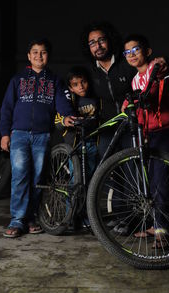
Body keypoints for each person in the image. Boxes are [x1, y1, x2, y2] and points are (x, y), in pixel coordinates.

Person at [0, 38, 75, 238]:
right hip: (19, 135)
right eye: (35, 52)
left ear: (48, 56)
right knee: (20, 175)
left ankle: (32, 217)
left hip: (42, 136)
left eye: (43, 52)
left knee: (38, 177)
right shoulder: (17, 79)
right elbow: (6, 108)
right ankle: (17, 219)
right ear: (28, 56)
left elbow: (62, 102)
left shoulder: (54, 80)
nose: (39, 56)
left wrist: (67, 115)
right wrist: (5, 134)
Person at [121, 34, 169, 246]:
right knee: (149, 180)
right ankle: (156, 223)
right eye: (127, 52)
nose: (131, 55)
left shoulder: (157, 69)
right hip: (148, 134)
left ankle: (161, 232)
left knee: (159, 180)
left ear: (147, 51)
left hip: (165, 129)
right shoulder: (135, 80)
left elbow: (165, 66)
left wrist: (162, 62)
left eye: (135, 50)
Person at [80, 21, 169, 160]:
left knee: (133, 167)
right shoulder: (88, 71)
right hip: (107, 128)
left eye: (101, 40)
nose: (97, 46)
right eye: (92, 43)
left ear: (109, 40)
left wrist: (166, 63)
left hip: (132, 124)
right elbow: (73, 87)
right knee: (106, 170)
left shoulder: (127, 61)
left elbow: (150, 68)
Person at [55, 66, 99, 227]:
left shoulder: (96, 99)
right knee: (75, 181)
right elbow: (57, 121)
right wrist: (64, 121)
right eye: (75, 84)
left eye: (83, 82)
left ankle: (87, 217)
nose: (80, 86)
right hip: (74, 146)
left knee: (91, 181)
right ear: (70, 87)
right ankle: (71, 217)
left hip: (92, 143)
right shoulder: (68, 101)